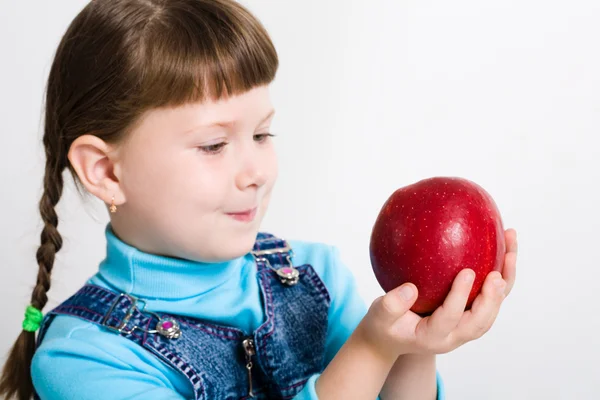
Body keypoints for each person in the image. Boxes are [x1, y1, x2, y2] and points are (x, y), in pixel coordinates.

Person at [0, 1, 518, 399]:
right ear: (107, 171)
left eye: (263, 135)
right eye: (213, 144)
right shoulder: (84, 359)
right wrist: (372, 347)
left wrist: (413, 346)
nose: (255, 172)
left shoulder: (316, 275)